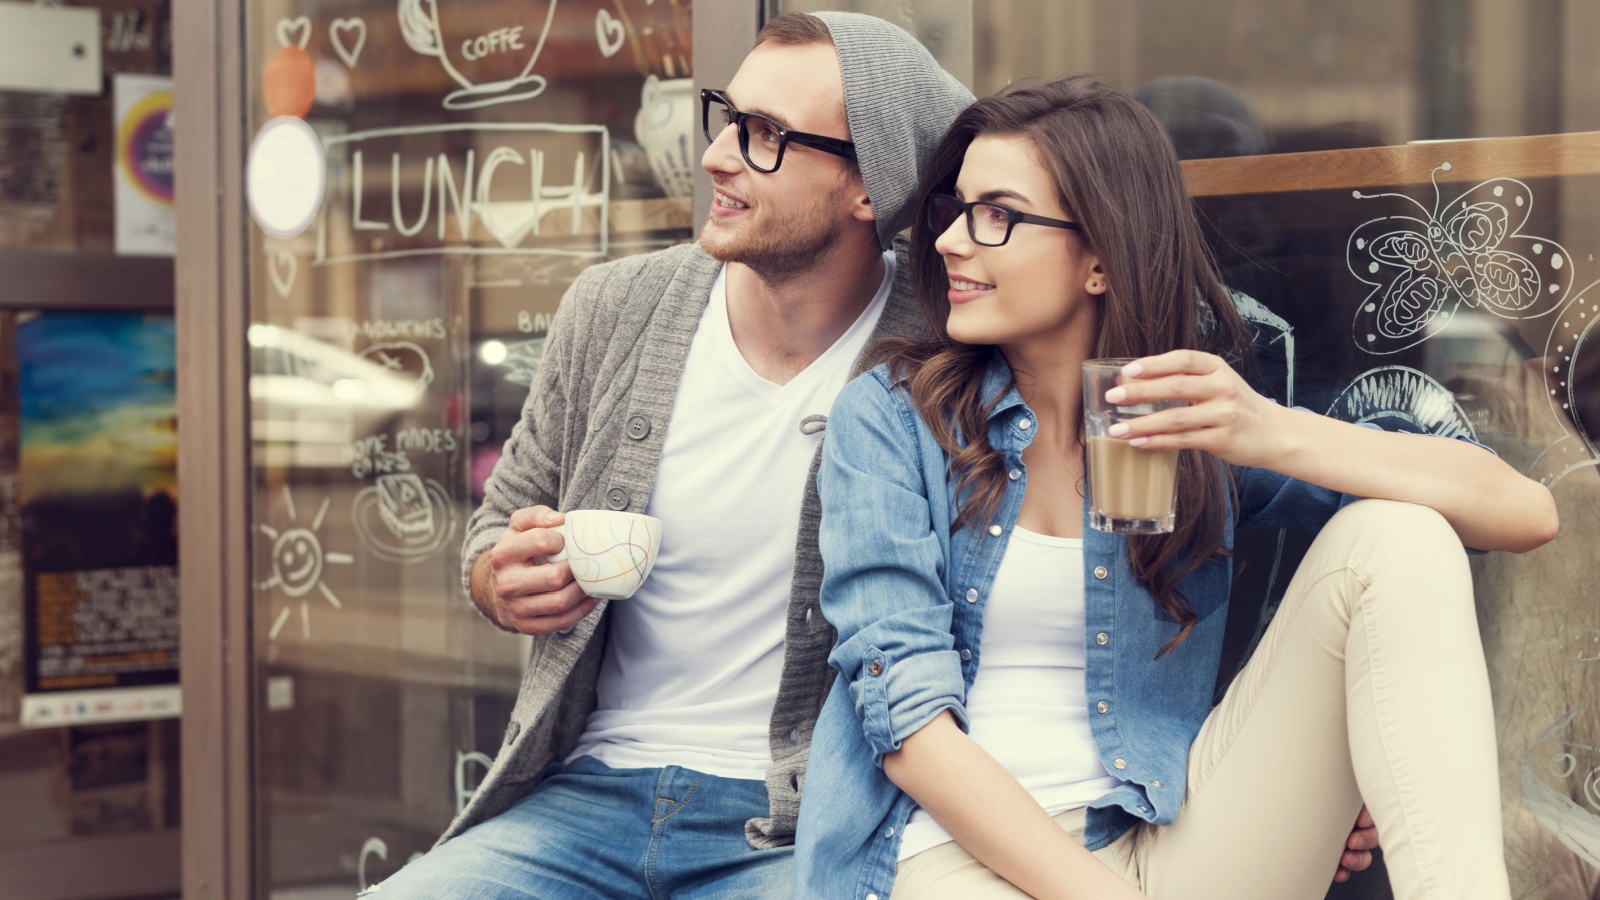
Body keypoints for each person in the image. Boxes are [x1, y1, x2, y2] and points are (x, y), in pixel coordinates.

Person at [795, 75, 1559, 900]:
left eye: (999, 216)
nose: (949, 242)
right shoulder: (895, 419)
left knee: (1399, 539)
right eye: (957, 209)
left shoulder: (1160, 420)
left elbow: (1524, 512)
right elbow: (908, 726)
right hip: (946, 860)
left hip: (1159, 836)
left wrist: (1270, 431)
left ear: (1098, 258)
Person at [358, 12, 973, 899]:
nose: (718, 155)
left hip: (799, 822)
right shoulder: (616, 307)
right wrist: (504, 577)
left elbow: (1158, 305)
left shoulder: (942, 345)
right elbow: (495, 530)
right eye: (727, 117)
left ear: (869, 188)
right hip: (583, 797)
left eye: (765, 137)